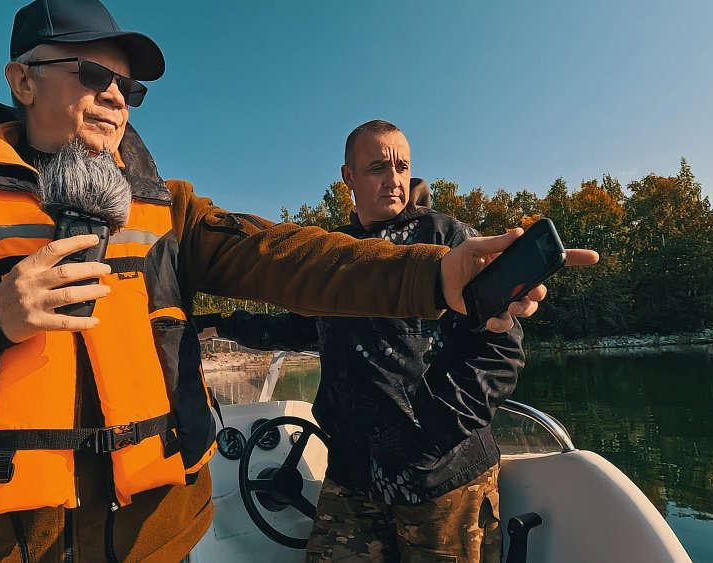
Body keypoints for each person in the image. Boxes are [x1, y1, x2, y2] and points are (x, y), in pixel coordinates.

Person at [0, 2, 597, 562]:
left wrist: (437, 274)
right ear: (23, 79)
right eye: (92, 73)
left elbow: (296, 259)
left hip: (150, 542)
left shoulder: (170, 210)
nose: (116, 96)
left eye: (129, 87)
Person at [208, 120, 522, 562]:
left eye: (402, 167)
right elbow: (299, 326)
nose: (394, 180)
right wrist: (220, 326)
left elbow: (502, 353)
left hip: (443, 478)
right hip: (353, 475)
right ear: (348, 178)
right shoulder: (336, 254)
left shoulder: (449, 241)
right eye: (378, 167)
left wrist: (431, 436)